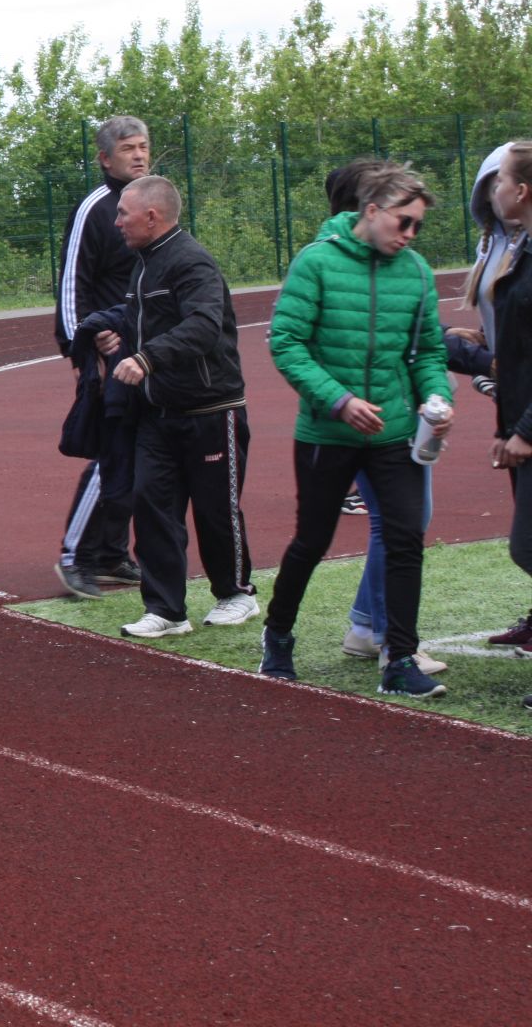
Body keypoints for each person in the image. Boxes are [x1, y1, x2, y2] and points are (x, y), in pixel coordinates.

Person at [261, 164, 454, 697]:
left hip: (394, 433)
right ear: (371, 211)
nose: (410, 235)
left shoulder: (416, 273)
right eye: (404, 222)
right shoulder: (316, 263)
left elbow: (428, 353)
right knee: (312, 540)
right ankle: (277, 637)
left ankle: (400, 659)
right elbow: (287, 344)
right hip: (328, 433)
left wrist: (438, 396)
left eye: (417, 226)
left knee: (405, 538)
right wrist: (339, 400)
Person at [75, 176, 256, 637]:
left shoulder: (192, 261)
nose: (116, 222)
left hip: (212, 410)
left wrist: (145, 357)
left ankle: (236, 594)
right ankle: (166, 610)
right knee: (152, 507)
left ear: (151, 216)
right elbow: (141, 317)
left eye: (123, 213)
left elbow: (203, 326)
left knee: (216, 510)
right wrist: (103, 329)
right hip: (158, 414)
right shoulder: (144, 264)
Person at [53, 116, 148, 598]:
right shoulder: (94, 208)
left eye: (143, 146)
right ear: (105, 158)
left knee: (141, 454)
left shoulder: (152, 206)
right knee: (113, 456)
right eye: (128, 148)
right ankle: (75, 556)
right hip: (108, 357)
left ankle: (111, 553)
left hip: (148, 354)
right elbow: (73, 284)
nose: (138, 154)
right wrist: (84, 347)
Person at [453, 143, 532, 653]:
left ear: (522, 190)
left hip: (525, 409)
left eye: (500, 181)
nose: (492, 192)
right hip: (517, 398)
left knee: (528, 543)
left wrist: (526, 429)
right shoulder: (511, 247)